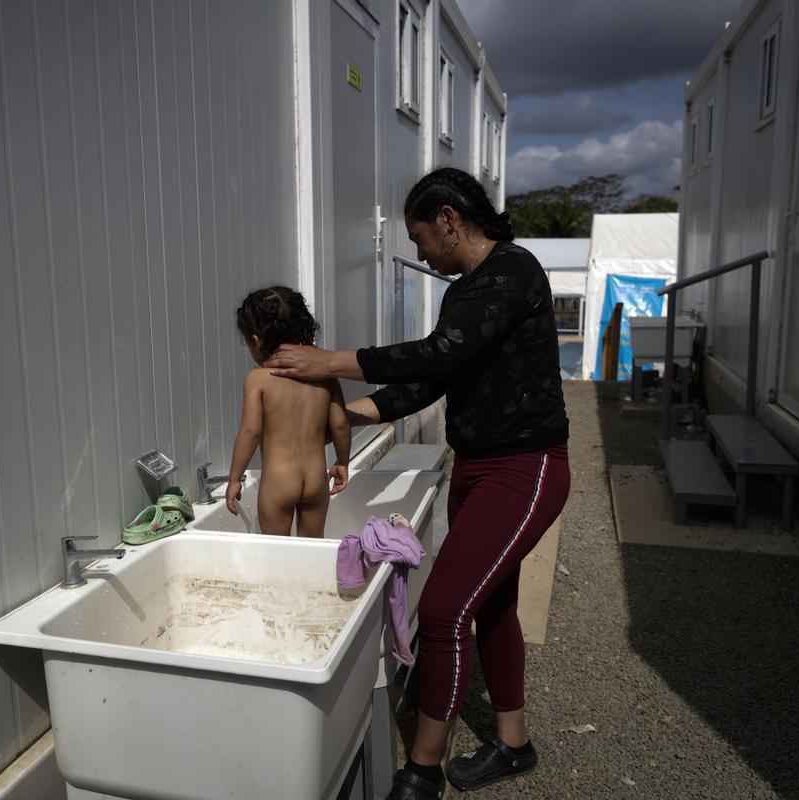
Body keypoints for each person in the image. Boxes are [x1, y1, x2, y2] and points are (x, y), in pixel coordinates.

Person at [264, 168, 571, 799]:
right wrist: (340, 416)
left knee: (443, 611)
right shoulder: (463, 294)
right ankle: (513, 742)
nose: (421, 251)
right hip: (478, 467)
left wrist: (332, 361)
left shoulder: (514, 272)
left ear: (451, 219)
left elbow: (435, 355)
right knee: (493, 605)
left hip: (526, 467)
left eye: (421, 236)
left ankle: (422, 771)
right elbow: (430, 381)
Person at [226, 286, 351, 537]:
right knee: (312, 550)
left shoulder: (258, 379)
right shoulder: (324, 375)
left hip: (278, 484)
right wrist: (342, 462)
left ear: (256, 340)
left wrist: (235, 478)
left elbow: (250, 432)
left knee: (277, 560)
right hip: (316, 480)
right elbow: (340, 424)